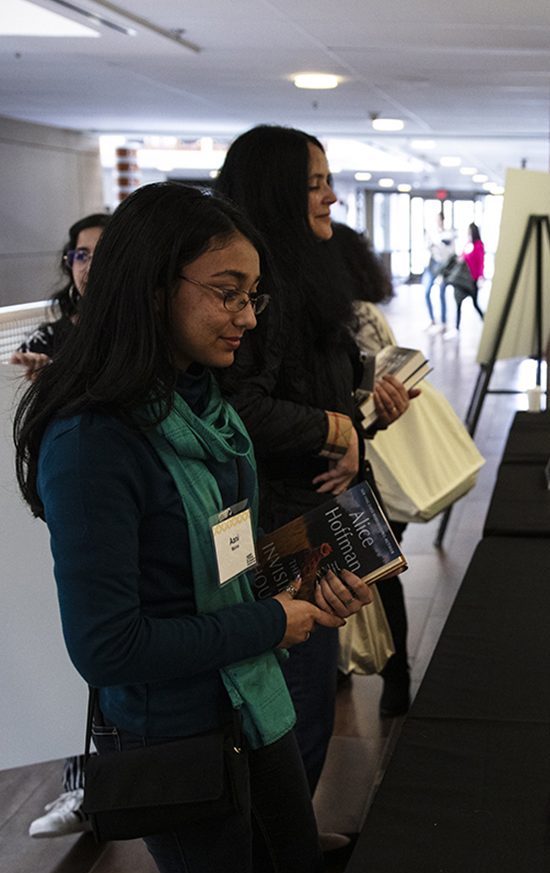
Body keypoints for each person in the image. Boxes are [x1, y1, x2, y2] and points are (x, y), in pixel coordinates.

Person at [13, 181, 372, 873]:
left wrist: (299, 586)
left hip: (252, 698)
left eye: (253, 296)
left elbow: (219, 562)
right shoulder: (92, 443)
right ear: (150, 290)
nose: (246, 317)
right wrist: (275, 619)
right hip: (174, 730)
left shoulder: (205, 406)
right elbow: (109, 649)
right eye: (226, 294)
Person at [215, 125, 415, 791]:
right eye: (316, 183)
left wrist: (361, 426)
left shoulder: (302, 278)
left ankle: (285, 857)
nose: (332, 198)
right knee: (292, 720)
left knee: (308, 718)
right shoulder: (260, 293)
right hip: (279, 540)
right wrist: (335, 424)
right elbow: (239, 409)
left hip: (313, 521)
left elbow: (313, 419)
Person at [10, 212, 110, 837]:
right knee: (69, 646)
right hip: (63, 505)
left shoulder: (144, 333)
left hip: (122, 503)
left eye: (101, 253)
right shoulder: (49, 338)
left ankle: (125, 784)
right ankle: (81, 789)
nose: (88, 265)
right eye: (78, 255)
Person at [329, 222, 416, 717]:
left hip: (365, 466)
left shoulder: (355, 316)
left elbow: (377, 389)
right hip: (362, 463)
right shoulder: (360, 313)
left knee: (377, 572)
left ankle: (395, 675)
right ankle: (378, 674)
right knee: (370, 573)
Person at [11, 213, 110, 379]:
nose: (90, 268)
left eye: (103, 255)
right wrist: (23, 373)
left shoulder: (147, 331)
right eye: (81, 256)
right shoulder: (46, 340)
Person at [445, 221, 485, 341]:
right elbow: (462, 257)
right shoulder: (468, 244)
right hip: (462, 280)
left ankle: (485, 321)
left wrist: (480, 277)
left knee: (475, 303)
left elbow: (480, 262)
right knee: (458, 303)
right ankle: (456, 328)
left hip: (472, 280)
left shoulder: (478, 245)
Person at [421, 211, 455, 334]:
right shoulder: (432, 233)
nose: (437, 222)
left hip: (443, 267)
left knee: (442, 294)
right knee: (426, 292)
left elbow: (450, 253)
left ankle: (444, 323)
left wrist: (439, 245)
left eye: (438, 219)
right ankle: (432, 320)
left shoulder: (448, 235)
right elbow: (428, 248)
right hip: (432, 265)